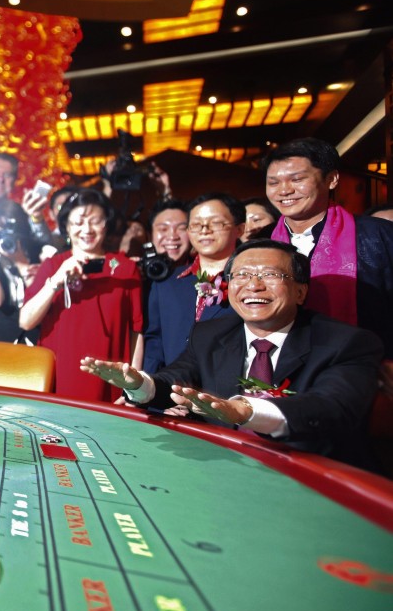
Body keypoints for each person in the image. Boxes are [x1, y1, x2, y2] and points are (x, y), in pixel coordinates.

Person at [82, 239, 382, 471]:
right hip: (221, 469)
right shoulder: (211, 333)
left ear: (301, 292)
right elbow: (177, 379)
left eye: (269, 274)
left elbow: (333, 407)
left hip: (311, 476)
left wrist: (247, 413)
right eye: (242, 275)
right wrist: (140, 385)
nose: (253, 285)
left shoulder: (348, 343)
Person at [263, 137, 393, 390]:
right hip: (280, 375)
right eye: (273, 182)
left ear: (332, 179)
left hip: (366, 374)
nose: (284, 190)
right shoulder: (260, 242)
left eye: (297, 179)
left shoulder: (380, 236)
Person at [20, 188, 142, 402]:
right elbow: (26, 322)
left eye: (95, 221)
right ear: (66, 227)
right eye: (78, 222)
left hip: (109, 378)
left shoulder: (123, 267)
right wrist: (55, 282)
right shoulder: (53, 266)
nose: (87, 229)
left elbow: (136, 331)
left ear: (106, 224)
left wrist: (133, 388)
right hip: (60, 376)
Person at [143, 193, 245, 374]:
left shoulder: (249, 282)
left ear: (240, 229)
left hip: (223, 395)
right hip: (168, 392)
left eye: (216, 223)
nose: (205, 230)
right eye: (196, 224)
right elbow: (155, 343)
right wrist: (146, 390)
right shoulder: (167, 283)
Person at [0, 199, 41, 343]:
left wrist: (21, 262)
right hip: (3, 338)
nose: (5, 239)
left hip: (36, 336)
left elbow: (41, 301)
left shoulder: (36, 253)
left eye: (9, 233)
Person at [148, 198, 191, 269]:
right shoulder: (140, 274)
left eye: (182, 228)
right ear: (149, 235)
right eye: (163, 229)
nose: (172, 236)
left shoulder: (204, 272)